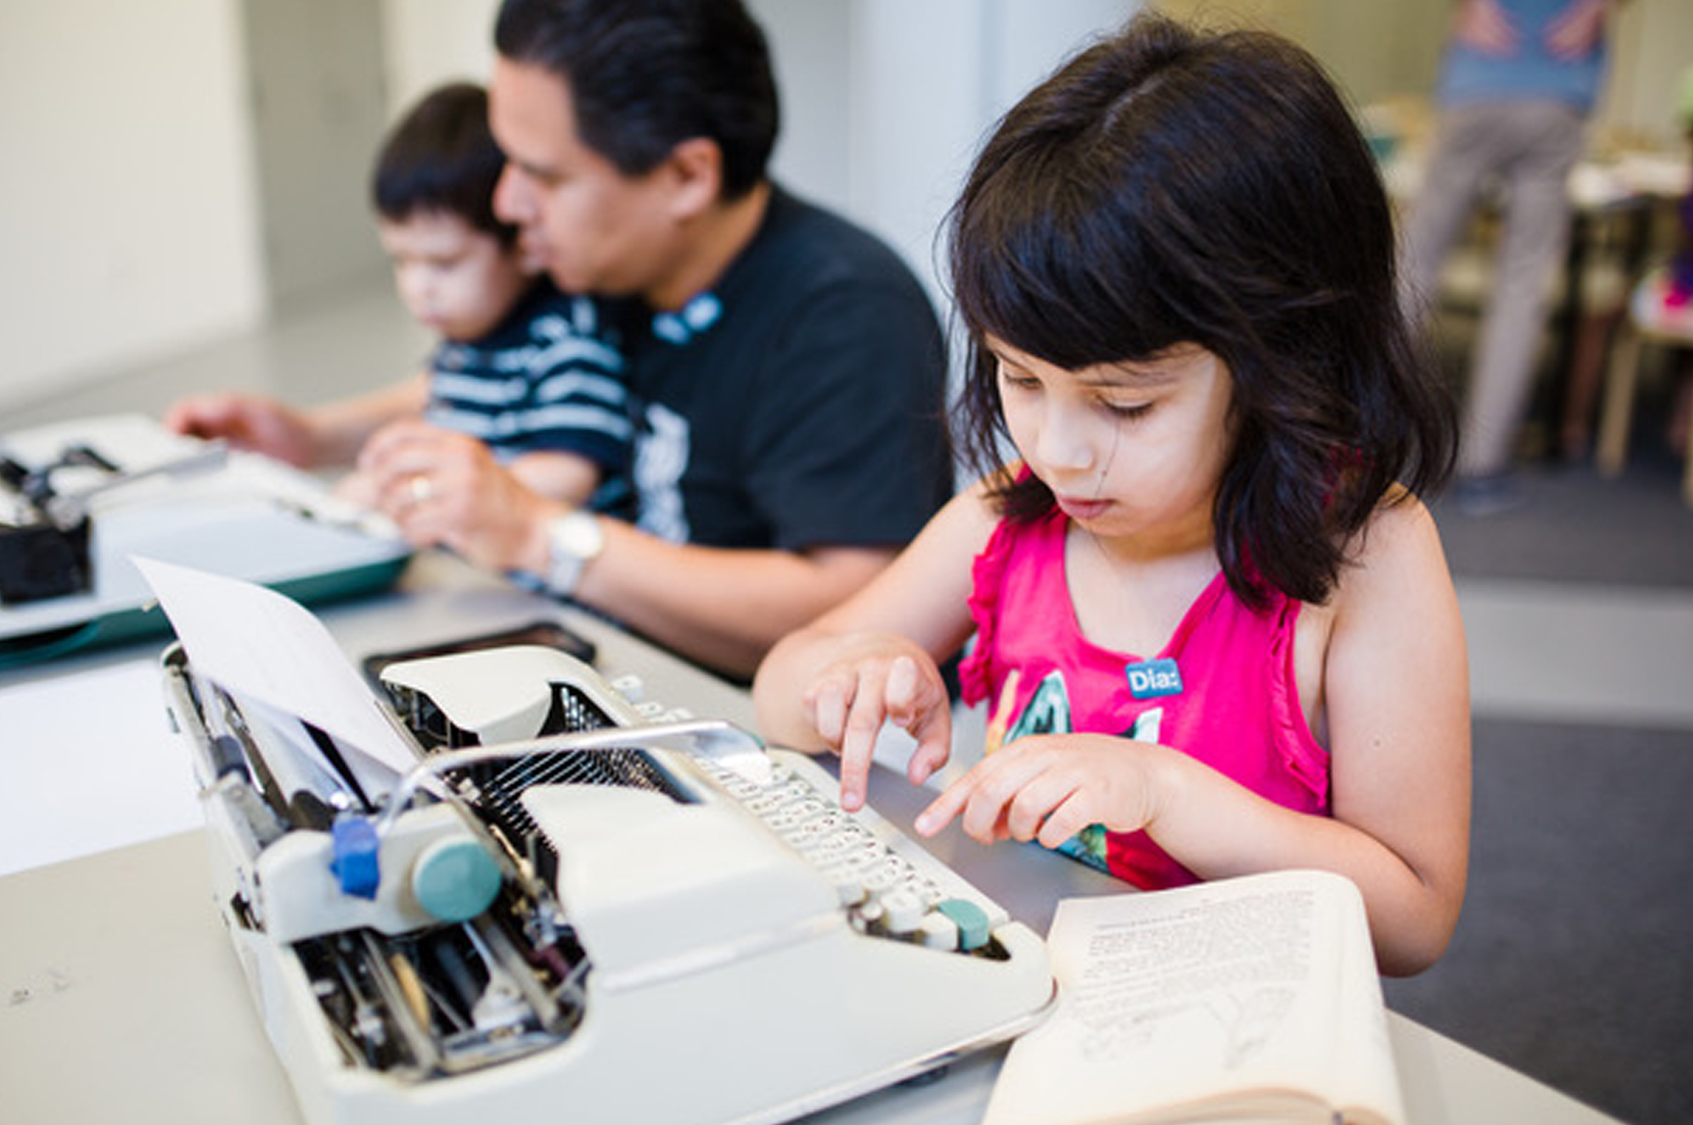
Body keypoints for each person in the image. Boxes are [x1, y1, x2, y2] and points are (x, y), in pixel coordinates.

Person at [753, 16, 1470, 976]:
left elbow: (1413, 919)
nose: (1057, 450)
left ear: (1286, 361)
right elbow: (777, 691)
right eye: (1019, 377)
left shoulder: (1366, 555)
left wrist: (1162, 790)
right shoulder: (1014, 516)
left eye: (1123, 403)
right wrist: (851, 677)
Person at [340, 0, 955, 680]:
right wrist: (306, 434)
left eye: (543, 175)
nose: (508, 205)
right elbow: (479, 374)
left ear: (687, 177)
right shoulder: (598, 261)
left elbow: (858, 603)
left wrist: (543, 534)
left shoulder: (844, 311)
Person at [165, 82, 631, 511]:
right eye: (402, 261)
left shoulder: (567, 345)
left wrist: (410, 492)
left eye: (444, 263)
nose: (418, 287)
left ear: (524, 244)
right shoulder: (470, 341)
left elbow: (568, 474)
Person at [1397, 0, 1622, 513]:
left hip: (1479, 80)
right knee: (1521, 289)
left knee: (1414, 263)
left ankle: (1343, 435)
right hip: (1557, 89)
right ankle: (1481, 469)